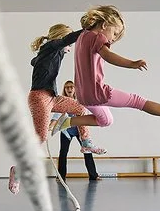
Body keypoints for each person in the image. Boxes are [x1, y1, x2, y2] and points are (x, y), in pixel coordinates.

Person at [50, 5, 160, 133]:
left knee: (106, 120)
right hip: (96, 92)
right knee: (137, 101)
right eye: (114, 33)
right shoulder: (97, 37)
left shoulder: (82, 37)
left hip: (83, 95)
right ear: (104, 25)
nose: (112, 39)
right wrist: (132, 64)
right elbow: (108, 55)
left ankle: (67, 123)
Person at [8, 24, 107, 194]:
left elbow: (34, 61)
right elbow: (66, 41)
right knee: (40, 138)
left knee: (80, 108)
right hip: (39, 98)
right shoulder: (51, 46)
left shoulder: (51, 52)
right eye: (67, 43)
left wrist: (41, 59)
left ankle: (86, 142)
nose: (69, 47)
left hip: (53, 97)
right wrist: (89, 30)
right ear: (60, 38)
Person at [56, 81, 100, 182]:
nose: (69, 89)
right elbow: (57, 115)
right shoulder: (62, 101)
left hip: (80, 130)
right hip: (66, 131)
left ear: (75, 89)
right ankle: (61, 176)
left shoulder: (80, 101)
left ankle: (93, 175)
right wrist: (52, 123)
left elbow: (87, 112)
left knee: (87, 151)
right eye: (67, 87)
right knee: (63, 153)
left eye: (71, 87)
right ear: (65, 89)